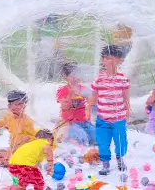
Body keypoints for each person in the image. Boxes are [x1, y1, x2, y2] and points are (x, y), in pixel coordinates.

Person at [86, 45, 130, 175]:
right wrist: (88, 109)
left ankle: (120, 157)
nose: (106, 61)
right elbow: (93, 97)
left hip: (119, 118)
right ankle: (105, 163)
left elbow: (126, 97)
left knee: (121, 141)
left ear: (119, 61)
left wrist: (127, 111)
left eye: (110, 58)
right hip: (103, 118)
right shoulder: (99, 78)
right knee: (102, 142)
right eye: (104, 58)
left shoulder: (122, 78)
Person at [56, 62, 95, 146]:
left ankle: (86, 136)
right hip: (70, 123)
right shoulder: (62, 90)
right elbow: (65, 106)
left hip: (84, 122)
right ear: (65, 78)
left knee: (98, 138)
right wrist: (70, 95)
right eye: (72, 75)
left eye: (76, 74)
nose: (74, 78)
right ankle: (71, 136)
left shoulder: (83, 89)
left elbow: (91, 102)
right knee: (82, 139)